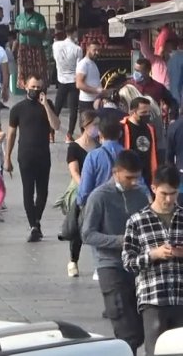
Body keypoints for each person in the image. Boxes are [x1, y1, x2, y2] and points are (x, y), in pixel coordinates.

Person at [79, 150, 148, 353]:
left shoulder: (140, 195)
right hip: (110, 266)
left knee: (140, 327)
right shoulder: (99, 196)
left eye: (137, 177)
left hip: (136, 267)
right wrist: (120, 241)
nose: (134, 182)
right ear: (116, 172)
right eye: (129, 178)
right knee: (126, 328)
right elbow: (88, 234)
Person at [122, 165, 183, 356]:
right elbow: (128, 262)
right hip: (153, 298)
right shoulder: (137, 221)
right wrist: (153, 255)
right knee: (155, 351)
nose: (169, 199)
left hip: (180, 297)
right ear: (154, 188)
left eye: (173, 193)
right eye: (164, 193)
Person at [5, 75, 60, 242]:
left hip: (43, 154)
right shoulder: (17, 109)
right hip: (25, 155)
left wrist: (46, 106)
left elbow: (56, 125)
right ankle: (34, 226)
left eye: (39, 87)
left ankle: (37, 220)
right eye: (33, 86)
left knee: (43, 191)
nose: (36, 90)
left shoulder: (47, 105)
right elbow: (11, 134)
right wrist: (7, 157)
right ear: (25, 86)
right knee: (28, 191)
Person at [62, 111, 99, 277]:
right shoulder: (74, 147)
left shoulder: (99, 146)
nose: (97, 128)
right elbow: (74, 171)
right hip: (80, 189)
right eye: (94, 124)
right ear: (85, 125)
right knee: (77, 226)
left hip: (97, 190)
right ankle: (73, 260)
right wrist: (85, 187)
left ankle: (98, 262)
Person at [53, 26, 84, 142]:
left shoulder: (56, 45)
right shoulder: (78, 49)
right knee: (73, 109)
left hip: (61, 79)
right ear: (74, 33)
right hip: (73, 80)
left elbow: (55, 59)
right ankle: (69, 135)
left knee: (57, 108)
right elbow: (79, 66)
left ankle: (51, 133)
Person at [122, 96, 159, 184]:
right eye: (143, 112)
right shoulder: (123, 128)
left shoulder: (150, 129)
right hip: (130, 173)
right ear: (133, 112)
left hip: (147, 175)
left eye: (148, 112)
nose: (147, 115)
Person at [13, 0, 48, 89]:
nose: (29, 5)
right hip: (23, 48)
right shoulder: (19, 18)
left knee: (39, 70)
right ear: (24, 5)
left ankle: (40, 89)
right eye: (27, 4)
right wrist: (14, 49)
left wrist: (30, 32)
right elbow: (16, 34)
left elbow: (42, 32)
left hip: (36, 48)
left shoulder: (39, 17)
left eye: (31, 3)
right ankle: (27, 89)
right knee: (23, 71)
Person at [76, 41, 104, 113]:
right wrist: (96, 90)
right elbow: (79, 84)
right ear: (87, 48)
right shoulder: (83, 64)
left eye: (98, 50)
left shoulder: (93, 63)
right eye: (94, 50)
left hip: (95, 101)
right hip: (87, 102)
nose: (97, 52)